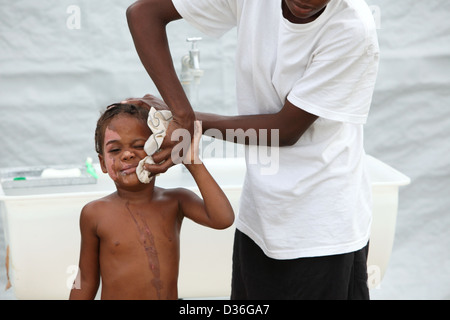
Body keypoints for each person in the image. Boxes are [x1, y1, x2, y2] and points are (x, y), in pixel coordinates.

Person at [126, 0, 380, 299]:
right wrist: (181, 113)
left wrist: (188, 122)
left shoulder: (351, 29)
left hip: (322, 229)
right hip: (260, 215)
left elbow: (285, 130)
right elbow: (143, 14)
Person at [69, 102, 234, 300]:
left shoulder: (176, 201)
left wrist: (192, 161)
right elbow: (86, 279)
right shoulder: (94, 213)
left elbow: (223, 218)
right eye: (115, 150)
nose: (128, 154)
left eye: (139, 146)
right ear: (103, 163)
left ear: (158, 151)